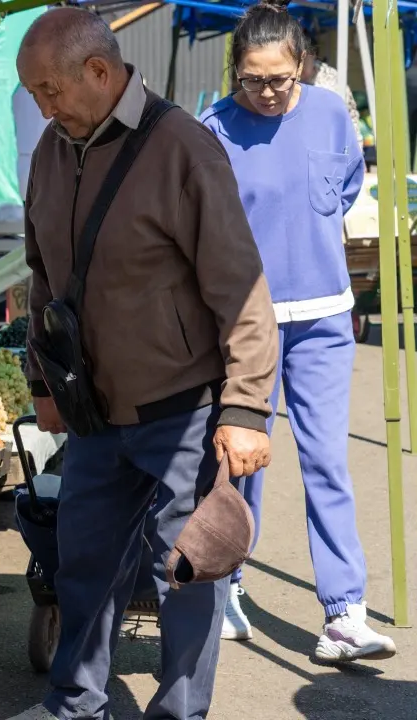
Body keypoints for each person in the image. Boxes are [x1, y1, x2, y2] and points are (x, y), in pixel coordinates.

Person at [10, 8, 279, 720]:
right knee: (83, 566)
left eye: (49, 90)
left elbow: (242, 288)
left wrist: (247, 409)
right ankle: (73, 705)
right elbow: (43, 277)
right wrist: (43, 381)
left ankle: (178, 713)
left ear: (98, 71)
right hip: (93, 411)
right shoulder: (51, 150)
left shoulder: (183, 147)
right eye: (34, 93)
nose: (43, 106)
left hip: (182, 408)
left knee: (185, 573)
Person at [200, 1, 397, 662]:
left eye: (281, 78)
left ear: (302, 67)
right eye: (254, 79)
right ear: (236, 72)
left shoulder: (330, 114)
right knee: (242, 463)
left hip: (324, 319)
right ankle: (225, 583)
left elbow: (342, 190)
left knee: (327, 463)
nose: (268, 91)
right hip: (244, 327)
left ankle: (345, 613)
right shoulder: (213, 130)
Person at [300, 36, 363, 148]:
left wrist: (358, 152)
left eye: (303, 59)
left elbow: (350, 117)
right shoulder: (285, 79)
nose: (299, 66)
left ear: (313, 55)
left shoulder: (331, 80)